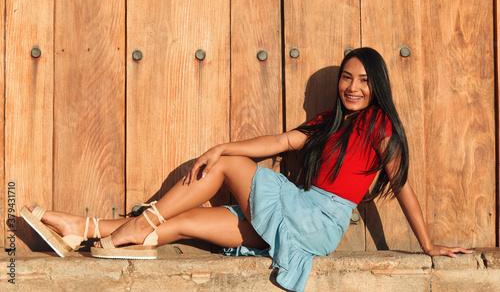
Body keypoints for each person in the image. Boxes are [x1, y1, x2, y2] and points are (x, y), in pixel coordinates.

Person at [22, 48, 471, 292]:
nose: (353, 87)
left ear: (377, 86)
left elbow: (404, 188)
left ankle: (129, 227)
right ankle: (86, 228)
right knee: (185, 223)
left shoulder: (381, 127)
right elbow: (279, 141)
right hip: (296, 217)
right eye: (347, 78)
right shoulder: (327, 124)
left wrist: (429, 245)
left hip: (317, 219)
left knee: (231, 166)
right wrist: (222, 145)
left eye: (364, 80)